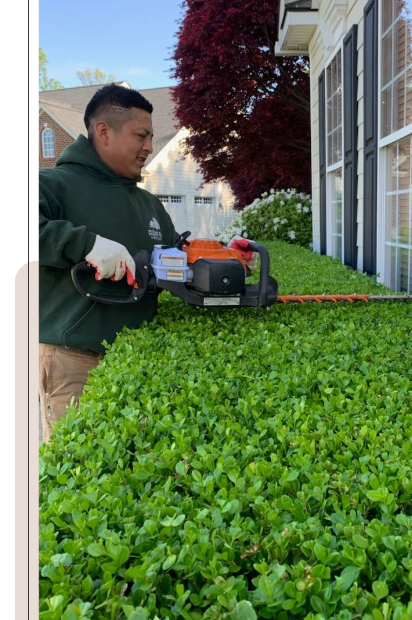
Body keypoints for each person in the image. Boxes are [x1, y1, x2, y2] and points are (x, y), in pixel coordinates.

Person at [38, 83, 255, 444]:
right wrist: (85, 244)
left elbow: (178, 263)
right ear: (103, 132)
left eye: (151, 137)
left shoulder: (150, 205)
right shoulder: (54, 184)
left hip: (139, 359)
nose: (149, 148)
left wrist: (225, 258)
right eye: (141, 136)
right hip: (73, 360)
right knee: (80, 469)